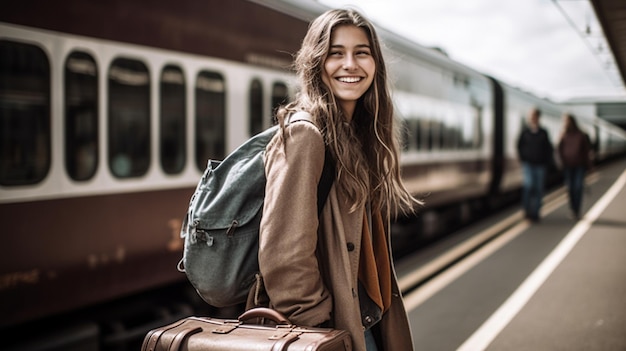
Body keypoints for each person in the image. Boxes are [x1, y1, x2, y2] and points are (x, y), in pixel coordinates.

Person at [245, 9, 421, 351]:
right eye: (335, 53)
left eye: (362, 53)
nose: (350, 64)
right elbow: (284, 256)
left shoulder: (358, 137)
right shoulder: (305, 135)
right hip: (334, 329)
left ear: (375, 65)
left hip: (363, 317)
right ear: (316, 62)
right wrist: (320, 328)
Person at [517, 108, 553, 222]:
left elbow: (548, 148)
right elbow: (519, 146)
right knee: (529, 186)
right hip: (528, 164)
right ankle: (527, 211)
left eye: (533, 115)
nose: (531, 118)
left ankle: (536, 214)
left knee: (538, 189)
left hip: (540, 165)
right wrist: (523, 158)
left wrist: (546, 161)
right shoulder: (525, 132)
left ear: (538, 117)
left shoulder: (543, 132)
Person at [557, 113, 592, 220]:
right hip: (568, 166)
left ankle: (577, 210)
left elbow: (586, 151)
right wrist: (560, 162)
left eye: (566, 120)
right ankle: (573, 209)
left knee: (578, 187)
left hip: (579, 166)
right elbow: (558, 149)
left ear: (572, 121)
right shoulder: (563, 135)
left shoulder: (581, 135)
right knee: (570, 188)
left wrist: (589, 166)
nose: (565, 123)